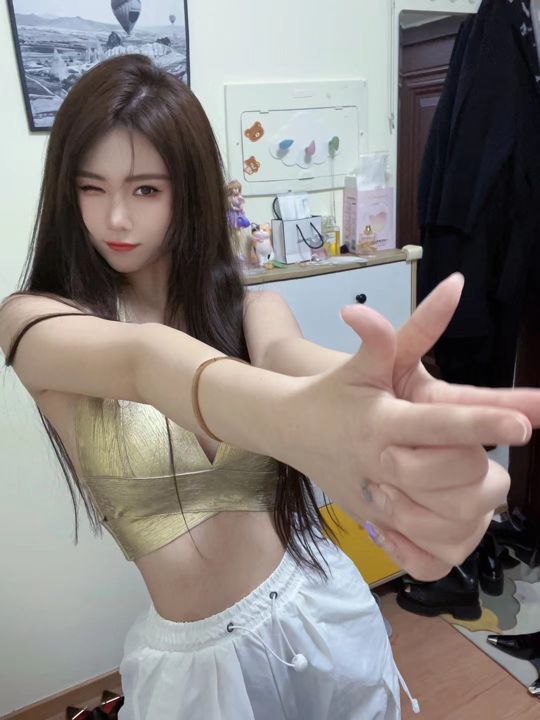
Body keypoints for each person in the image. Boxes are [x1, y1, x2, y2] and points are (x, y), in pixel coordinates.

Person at [1, 54, 539, 719]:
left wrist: (380, 411)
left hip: (318, 611)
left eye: (145, 190)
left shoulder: (249, 308)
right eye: (91, 188)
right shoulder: (35, 323)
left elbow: (290, 356)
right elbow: (144, 361)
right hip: (198, 673)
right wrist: (304, 424)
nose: (115, 218)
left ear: (188, 191)